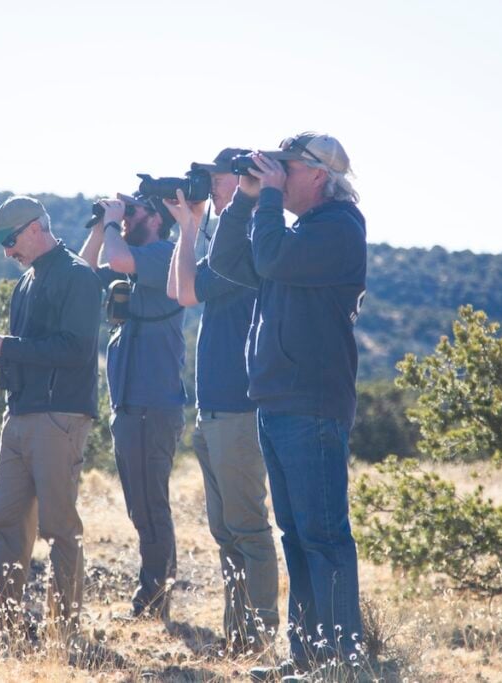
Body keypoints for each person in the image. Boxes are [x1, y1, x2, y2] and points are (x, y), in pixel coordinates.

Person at [207, 133, 368, 679]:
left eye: (288, 167)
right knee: (297, 538)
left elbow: (271, 256)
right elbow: (229, 262)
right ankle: (307, 661)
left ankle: (342, 665)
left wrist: (268, 199)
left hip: (311, 404)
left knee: (323, 537)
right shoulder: (295, 231)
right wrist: (248, 198)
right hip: (279, 402)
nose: (279, 174)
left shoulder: (340, 230)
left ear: (320, 175)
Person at [0, 196, 102, 632]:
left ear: (36, 228)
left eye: (10, 241)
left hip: (58, 418)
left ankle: (62, 633)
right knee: (8, 527)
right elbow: (28, 354)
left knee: (59, 530)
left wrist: (6, 345)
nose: (7, 252)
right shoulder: (27, 282)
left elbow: (75, 350)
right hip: (17, 417)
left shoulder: (78, 277)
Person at [162, 148, 279, 652]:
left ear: (244, 179)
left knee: (247, 529)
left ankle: (259, 638)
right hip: (214, 410)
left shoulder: (248, 241)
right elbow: (178, 287)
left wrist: (192, 229)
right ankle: (240, 635)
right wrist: (188, 229)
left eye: (215, 178)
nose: (208, 186)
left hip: (237, 406)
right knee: (226, 532)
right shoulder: (229, 239)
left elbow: (185, 292)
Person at [80, 190, 184, 621]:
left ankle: (155, 599)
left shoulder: (164, 253)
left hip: (152, 402)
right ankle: (155, 593)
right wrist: (101, 224)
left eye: (133, 212)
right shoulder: (133, 259)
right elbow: (83, 272)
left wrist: (111, 226)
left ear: (157, 219)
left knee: (150, 504)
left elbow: (120, 260)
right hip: (130, 405)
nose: (125, 219)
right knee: (140, 505)